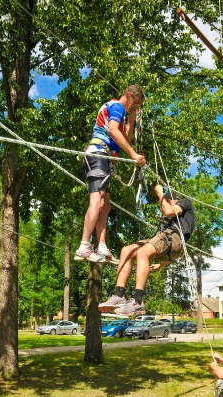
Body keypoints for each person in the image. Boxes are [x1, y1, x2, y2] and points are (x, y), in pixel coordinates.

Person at [74, 85, 146, 264]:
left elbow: (125, 138)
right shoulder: (116, 106)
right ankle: (84, 246)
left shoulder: (123, 112)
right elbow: (113, 131)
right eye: (136, 104)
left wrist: (132, 117)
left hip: (103, 158)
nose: (136, 109)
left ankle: (102, 247)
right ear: (128, 96)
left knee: (105, 206)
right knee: (97, 202)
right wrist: (134, 155)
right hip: (98, 153)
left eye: (138, 107)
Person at [98, 185, 195, 316]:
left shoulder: (184, 203)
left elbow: (169, 212)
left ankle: (137, 302)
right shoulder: (168, 222)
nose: (161, 209)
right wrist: (160, 265)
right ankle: (119, 295)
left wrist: (160, 193)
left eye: (163, 204)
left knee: (142, 253)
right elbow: (171, 253)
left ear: (171, 200)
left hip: (174, 237)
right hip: (165, 241)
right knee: (126, 251)